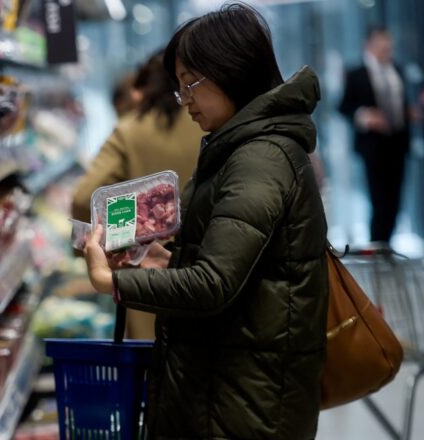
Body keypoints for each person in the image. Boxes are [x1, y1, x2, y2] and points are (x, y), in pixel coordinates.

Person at [82, 3, 328, 439]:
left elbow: (214, 283)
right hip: (229, 390)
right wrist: (165, 259)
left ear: (231, 71)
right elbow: (236, 262)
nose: (185, 101)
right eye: (179, 88)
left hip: (242, 405)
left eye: (190, 84)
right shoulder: (237, 147)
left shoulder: (260, 158)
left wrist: (110, 281)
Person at [73, 51, 203, 339]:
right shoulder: (209, 123)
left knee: (153, 367)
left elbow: (84, 198)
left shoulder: (131, 129)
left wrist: (116, 237)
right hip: (210, 276)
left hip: (147, 278)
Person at [339, 26, 412, 245]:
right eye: (381, 44)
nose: (386, 48)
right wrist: (364, 116)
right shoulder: (356, 73)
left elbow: (401, 104)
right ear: (369, 45)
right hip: (373, 146)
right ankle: (377, 245)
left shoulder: (397, 70)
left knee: (395, 200)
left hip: (398, 143)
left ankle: (387, 244)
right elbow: (344, 107)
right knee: (378, 199)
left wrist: (409, 113)